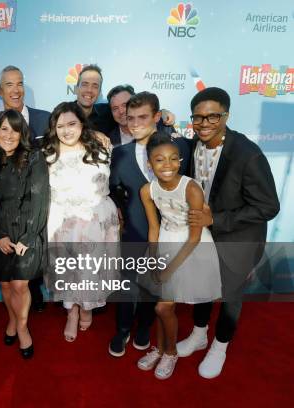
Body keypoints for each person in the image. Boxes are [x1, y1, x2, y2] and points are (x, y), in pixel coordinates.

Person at [176, 87, 279, 378]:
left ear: (226, 116)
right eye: (198, 118)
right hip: (204, 237)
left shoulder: (247, 154)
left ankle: (220, 346)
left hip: (238, 238)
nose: (205, 123)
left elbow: (268, 206)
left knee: (231, 295)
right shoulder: (192, 145)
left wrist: (216, 220)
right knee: (201, 286)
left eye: (213, 117)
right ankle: (199, 334)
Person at [108, 91, 191, 357]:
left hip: (167, 234)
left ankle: (144, 327)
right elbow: (113, 190)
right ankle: (122, 330)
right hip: (132, 233)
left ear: (157, 116)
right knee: (127, 284)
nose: (135, 123)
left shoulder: (179, 147)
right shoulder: (119, 154)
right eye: (130, 118)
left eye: (142, 117)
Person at [136, 133, 221, 380]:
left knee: (163, 307)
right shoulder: (147, 190)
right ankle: (161, 348)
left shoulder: (191, 188)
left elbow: (194, 237)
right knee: (163, 305)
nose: (168, 165)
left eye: (174, 159)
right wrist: (154, 259)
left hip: (192, 247)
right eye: (160, 160)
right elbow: (153, 227)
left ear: (180, 161)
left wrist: (169, 268)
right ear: (149, 164)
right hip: (166, 240)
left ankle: (170, 352)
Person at [43, 101, 119, 342]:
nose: (66, 130)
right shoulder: (46, 153)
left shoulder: (102, 146)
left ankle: (86, 307)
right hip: (62, 221)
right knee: (67, 271)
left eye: (72, 123)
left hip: (96, 221)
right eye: (60, 125)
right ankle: (72, 312)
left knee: (90, 271)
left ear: (82, 124)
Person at [0, 109, 49, 359]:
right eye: (4, 129)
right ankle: (13, 321)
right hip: (0, 232)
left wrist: (27, 236)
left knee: (20, 284)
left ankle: (22, 328)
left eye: (15, 130)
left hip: (28, 231)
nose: (9, 135)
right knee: (4, 283)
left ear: (23, 133)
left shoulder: (34, 158)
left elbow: (40, 199)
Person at [0, 66, 50, 312]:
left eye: (19, 83)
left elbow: (73, 129)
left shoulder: (44, 118)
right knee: (10, 280)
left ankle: (35, 296)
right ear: (1, 92)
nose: (16, 90)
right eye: (9, 85)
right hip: (7, 216)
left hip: (37, 209)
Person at [75, 65, 175, 135]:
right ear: (75, 89)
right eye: (85, 84)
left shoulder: (106, 110)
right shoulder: (63, 113)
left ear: (99, 91)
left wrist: (163, 113)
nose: (89, 90)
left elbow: (141, 106)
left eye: (95, 86)